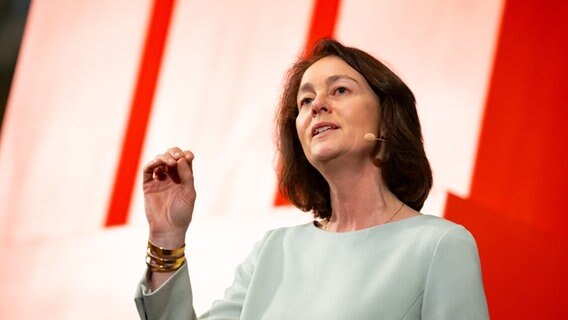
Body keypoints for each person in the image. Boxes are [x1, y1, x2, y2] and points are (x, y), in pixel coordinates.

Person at [134, 39, 489, 319]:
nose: (317, 105)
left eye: (340, 90)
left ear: (385, 119)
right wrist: (167, 238)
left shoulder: (440, 245)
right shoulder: (273, 251)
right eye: (305, 100)